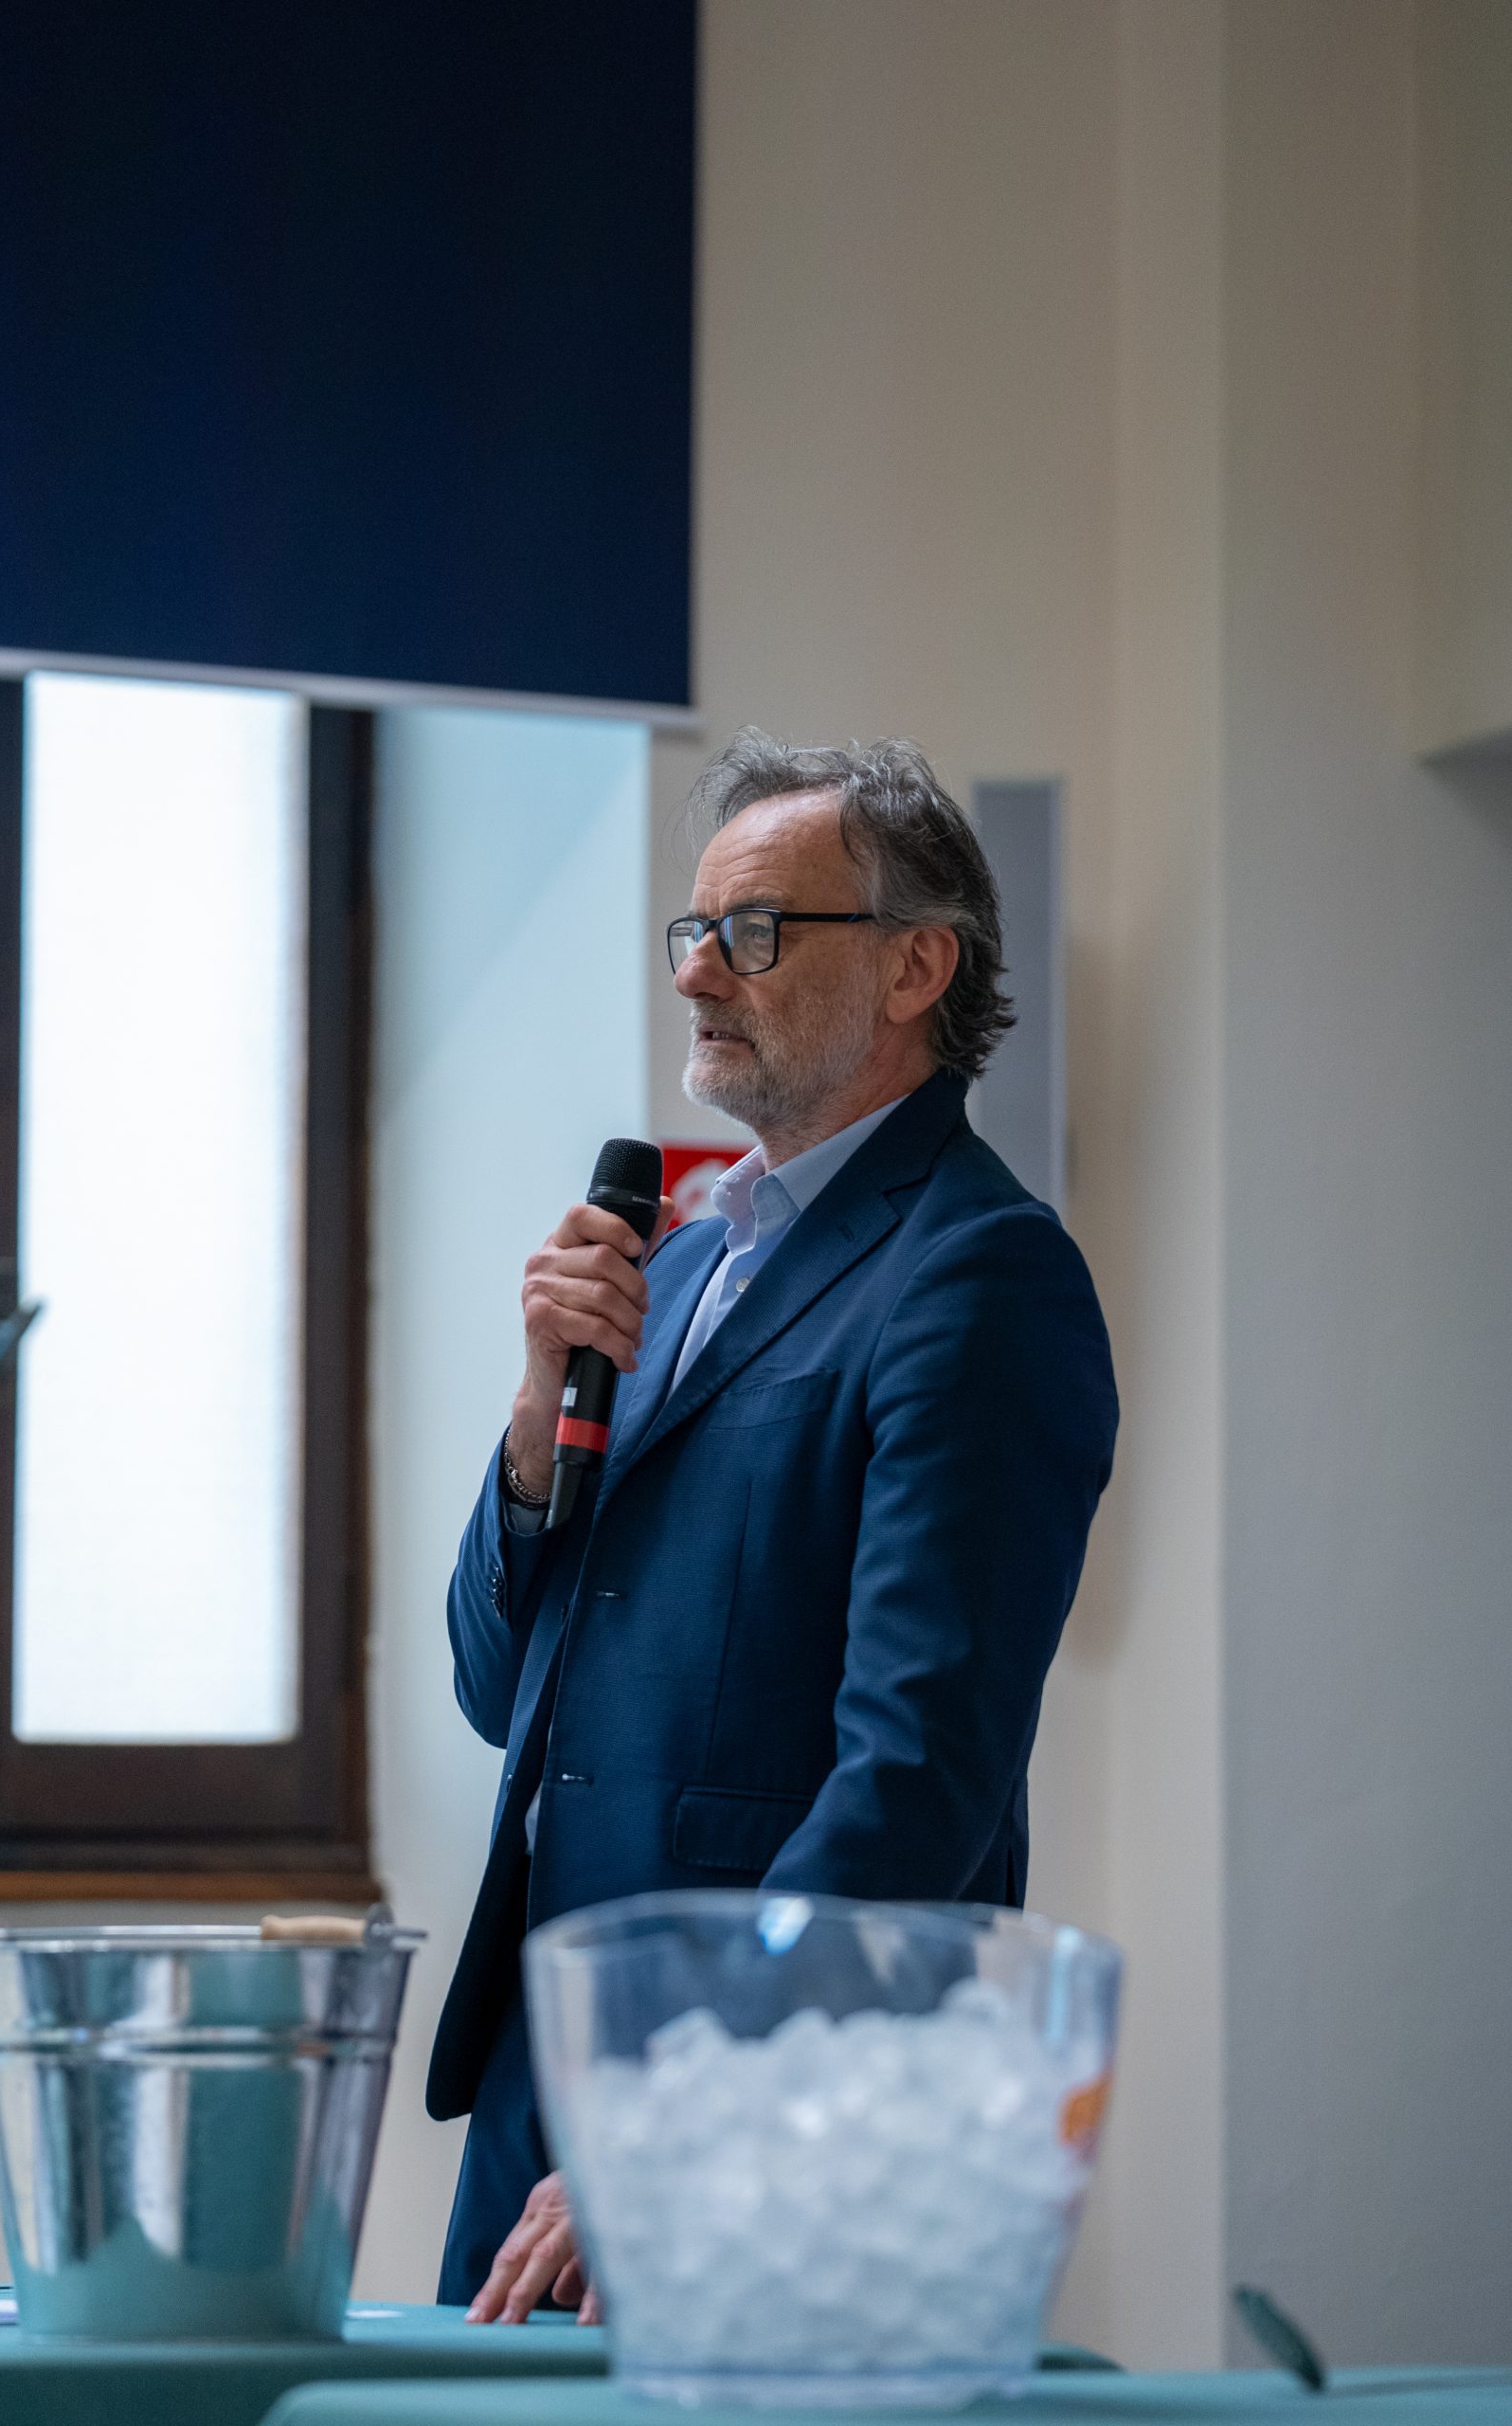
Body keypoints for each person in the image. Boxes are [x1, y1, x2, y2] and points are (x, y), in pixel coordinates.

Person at [428, 730, 1118, 2321]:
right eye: (694, 929)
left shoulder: (977, 1274)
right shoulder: (669, 1269)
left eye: (753, 931)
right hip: (548, 2072)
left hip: (771, 2118)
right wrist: (536, 1414)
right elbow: (496, 1689)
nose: (694, 972)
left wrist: (678, 2111)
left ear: (913, 968)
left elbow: (915, 1774)